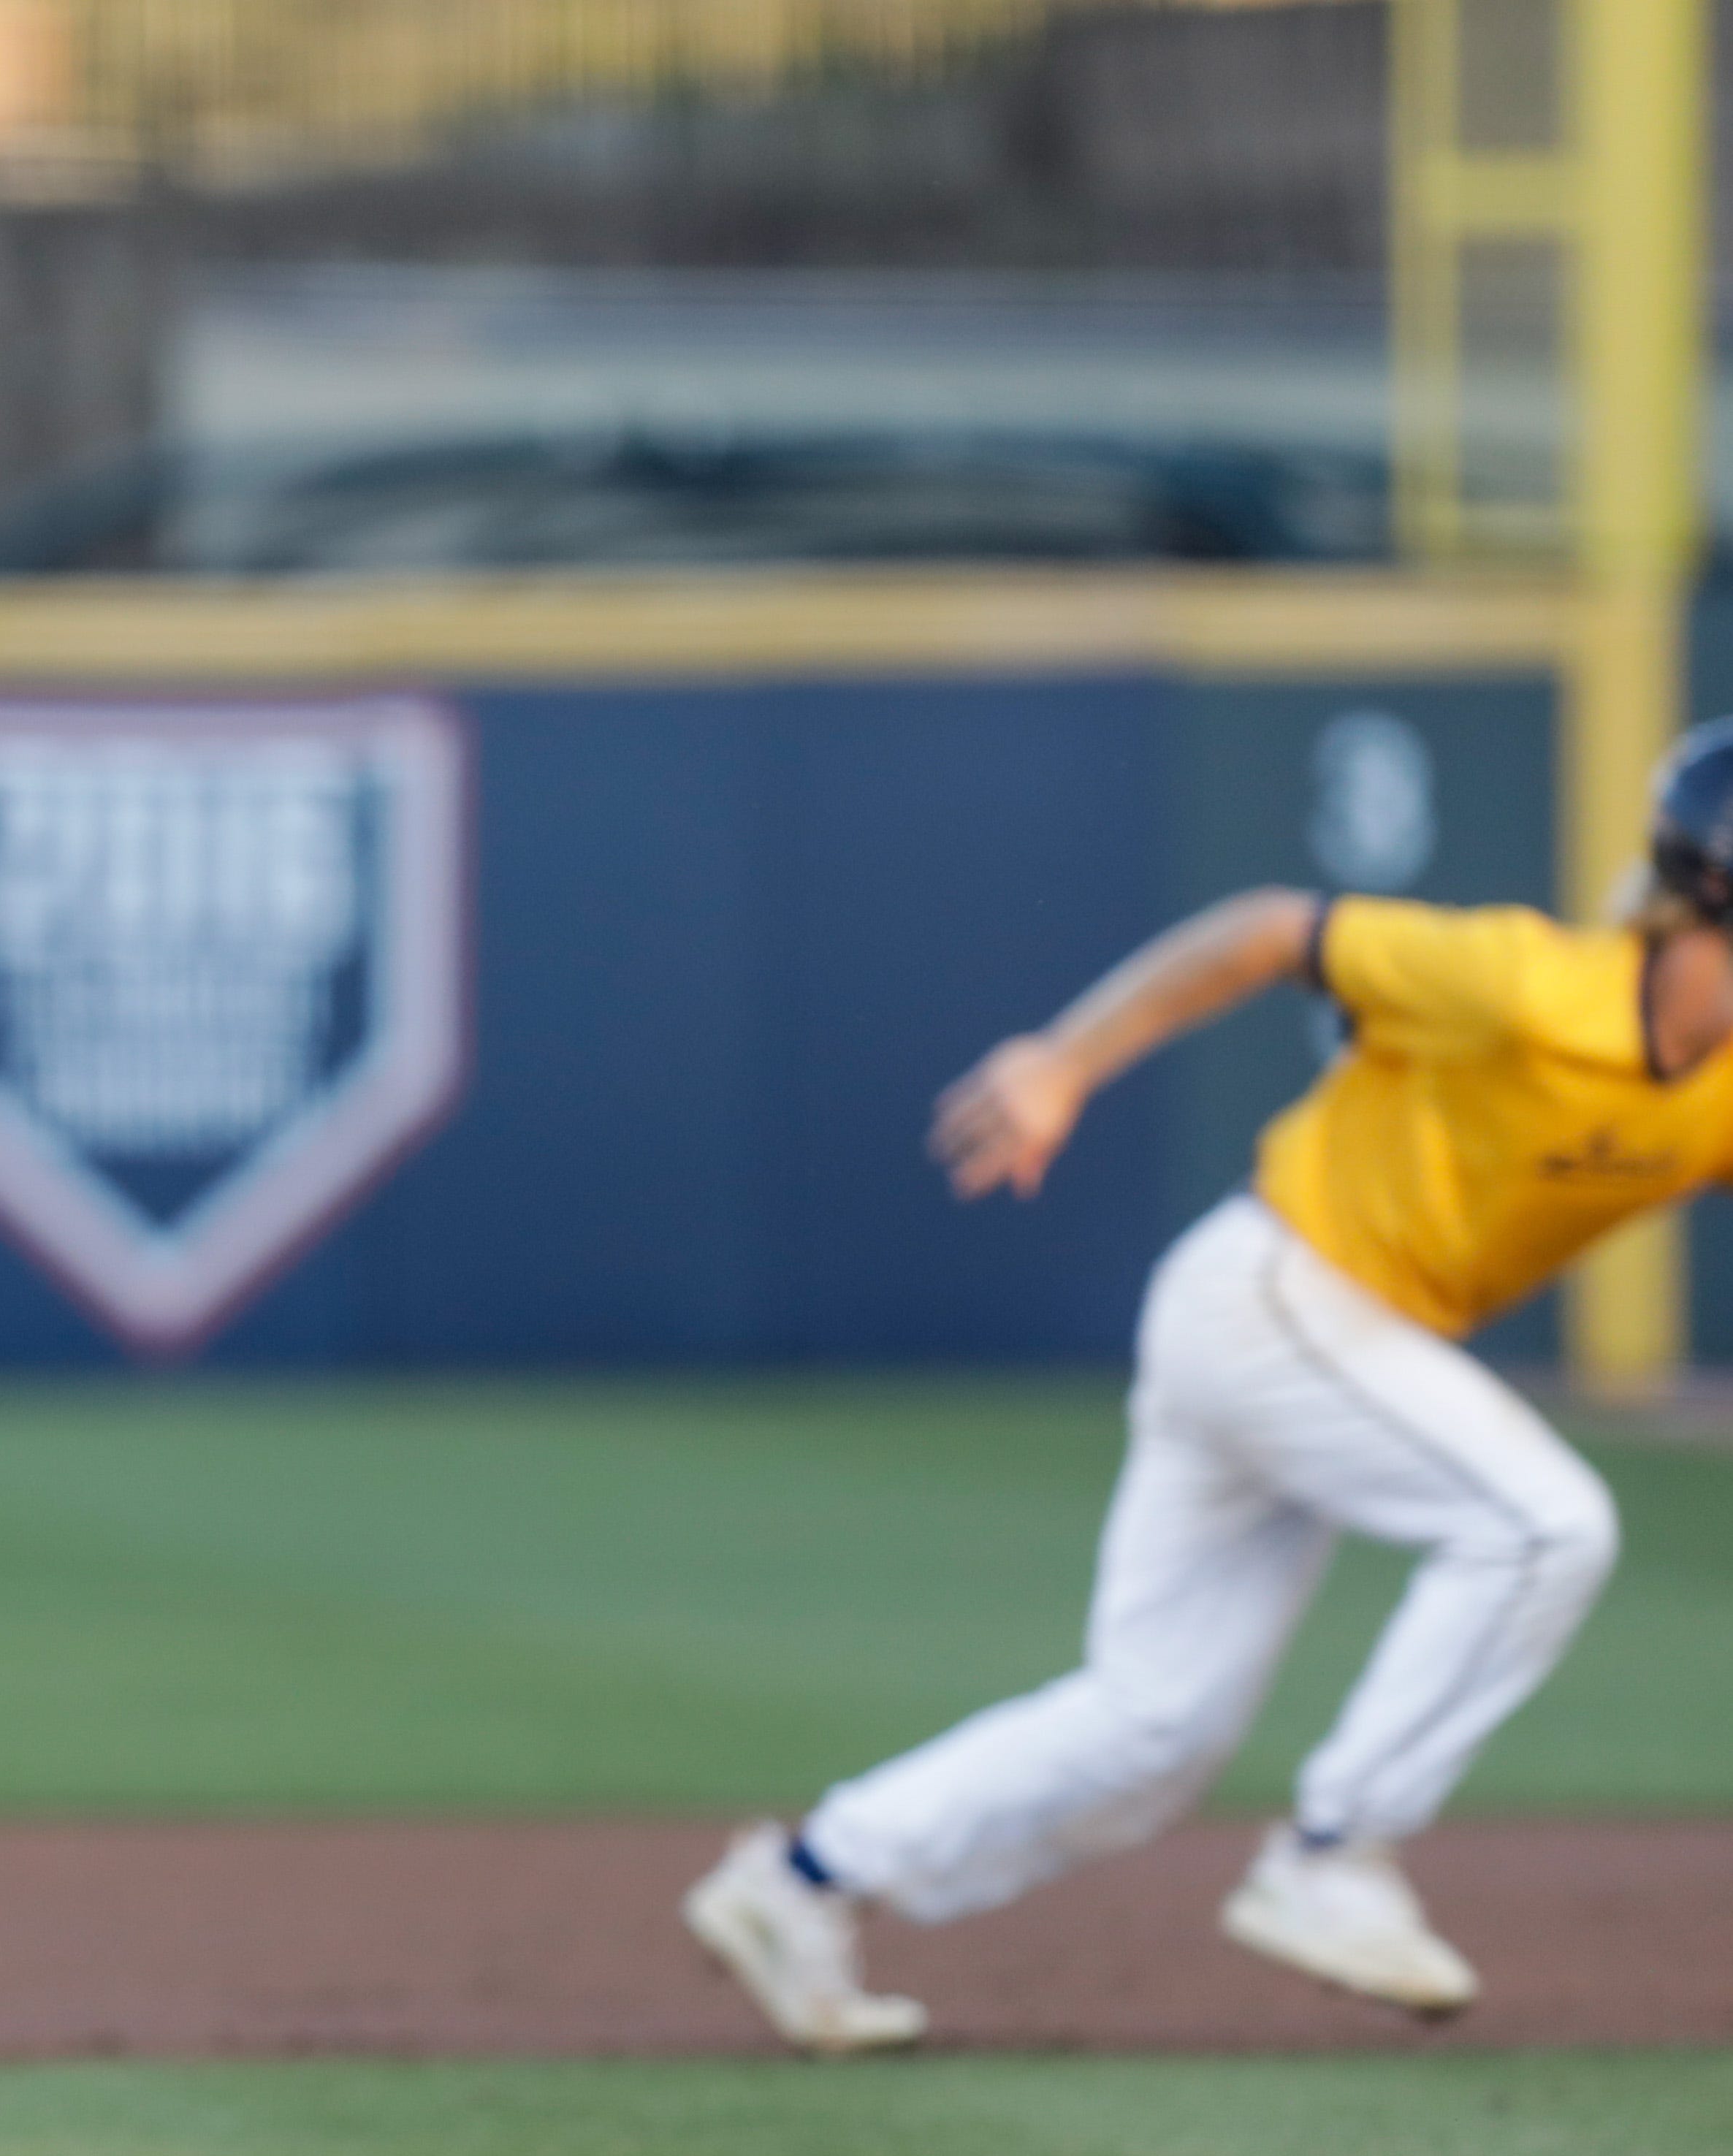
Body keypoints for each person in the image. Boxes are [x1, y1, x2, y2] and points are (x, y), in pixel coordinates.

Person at [686, 720, 1733, 2054]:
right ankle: (1333, 1853)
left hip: (1319, 1335)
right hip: (1276, 1294)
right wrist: (1062, 1060)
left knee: (1152, 1727)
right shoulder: (1525, 982)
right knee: (1542, 1523)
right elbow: (1261, 931)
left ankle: (802, 1879)